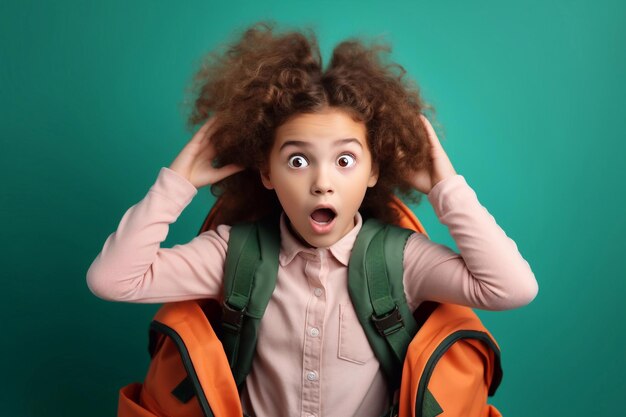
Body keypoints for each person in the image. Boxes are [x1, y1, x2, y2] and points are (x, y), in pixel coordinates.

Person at [86, 21, 538, 417]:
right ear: (266, 172)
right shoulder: (233, 254)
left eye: (345, 160)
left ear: (374, 170)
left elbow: (511, 288)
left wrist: (446, 187)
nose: (323, 183)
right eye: (298, 162)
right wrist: (177, 182)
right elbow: (114, 280)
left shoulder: (400, 261)